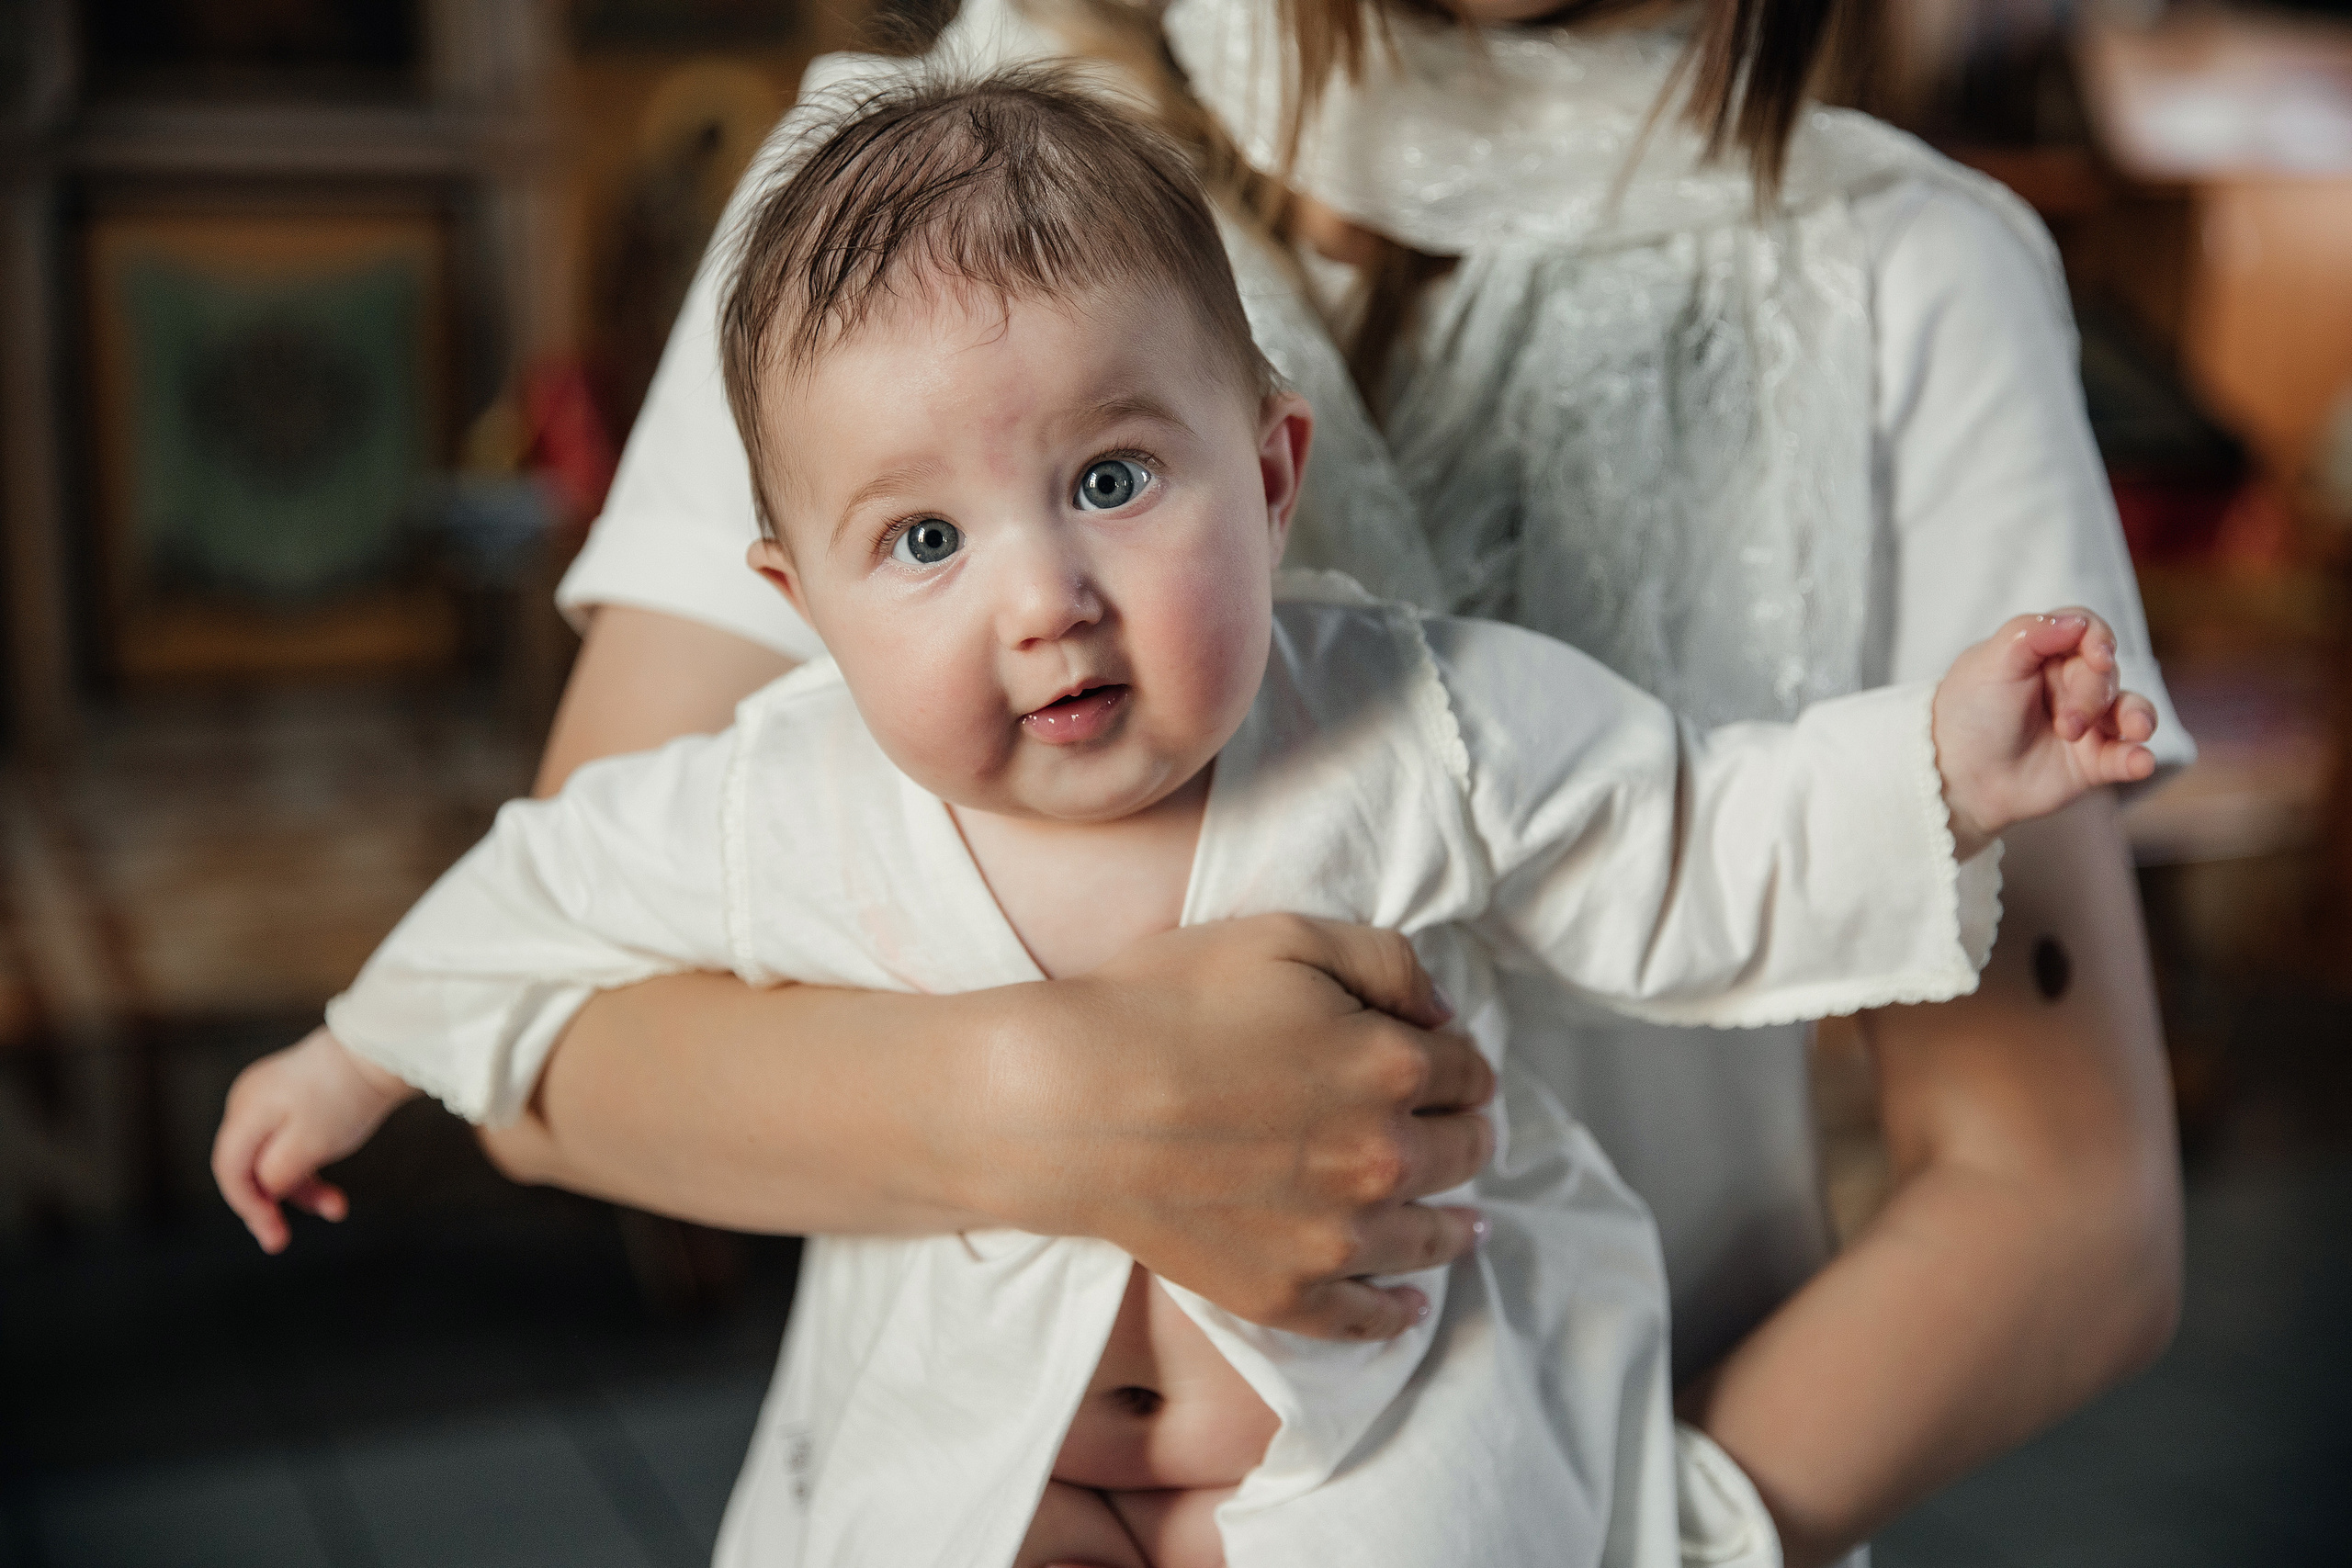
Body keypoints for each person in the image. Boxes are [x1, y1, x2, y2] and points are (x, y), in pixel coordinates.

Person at [217, 3, 2195, 1562]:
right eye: (922, 543)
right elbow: (560, 927)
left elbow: (1705, 844)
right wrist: (1054, 1099)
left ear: (1268, 467)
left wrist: (1621, 1531)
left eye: (1108, 485)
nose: (1043, 601)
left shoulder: (1420, 705)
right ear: (798, 585)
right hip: (964, 1471)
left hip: (1527, 1478)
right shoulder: (878, 205)